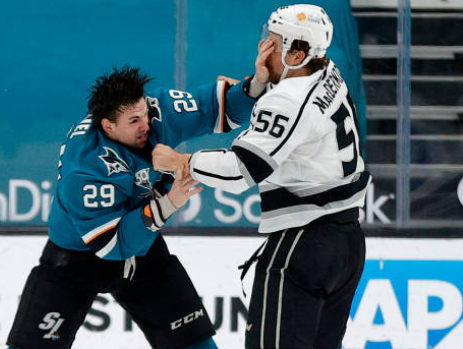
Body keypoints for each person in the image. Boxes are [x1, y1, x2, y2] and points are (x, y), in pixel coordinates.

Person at [152, 5, 370, 349]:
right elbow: (299, 120)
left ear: (297, 53)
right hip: (346, 244)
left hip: (303, 243)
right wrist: (260, 85)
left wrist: (182, 160)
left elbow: (241, 171)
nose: (263, 47)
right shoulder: (328, 71)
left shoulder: (287, 100)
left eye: (273, 41)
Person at [5, 65, 256, 349]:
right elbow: (114, 246)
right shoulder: (85, 168)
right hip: (76, 259)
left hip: (144, 250)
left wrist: (255, 87)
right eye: (134, 120)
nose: (146, 125)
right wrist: (169, 202)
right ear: (108, 126)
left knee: (195, 342)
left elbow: (215, 106)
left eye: (144, 113)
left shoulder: (155, 110)